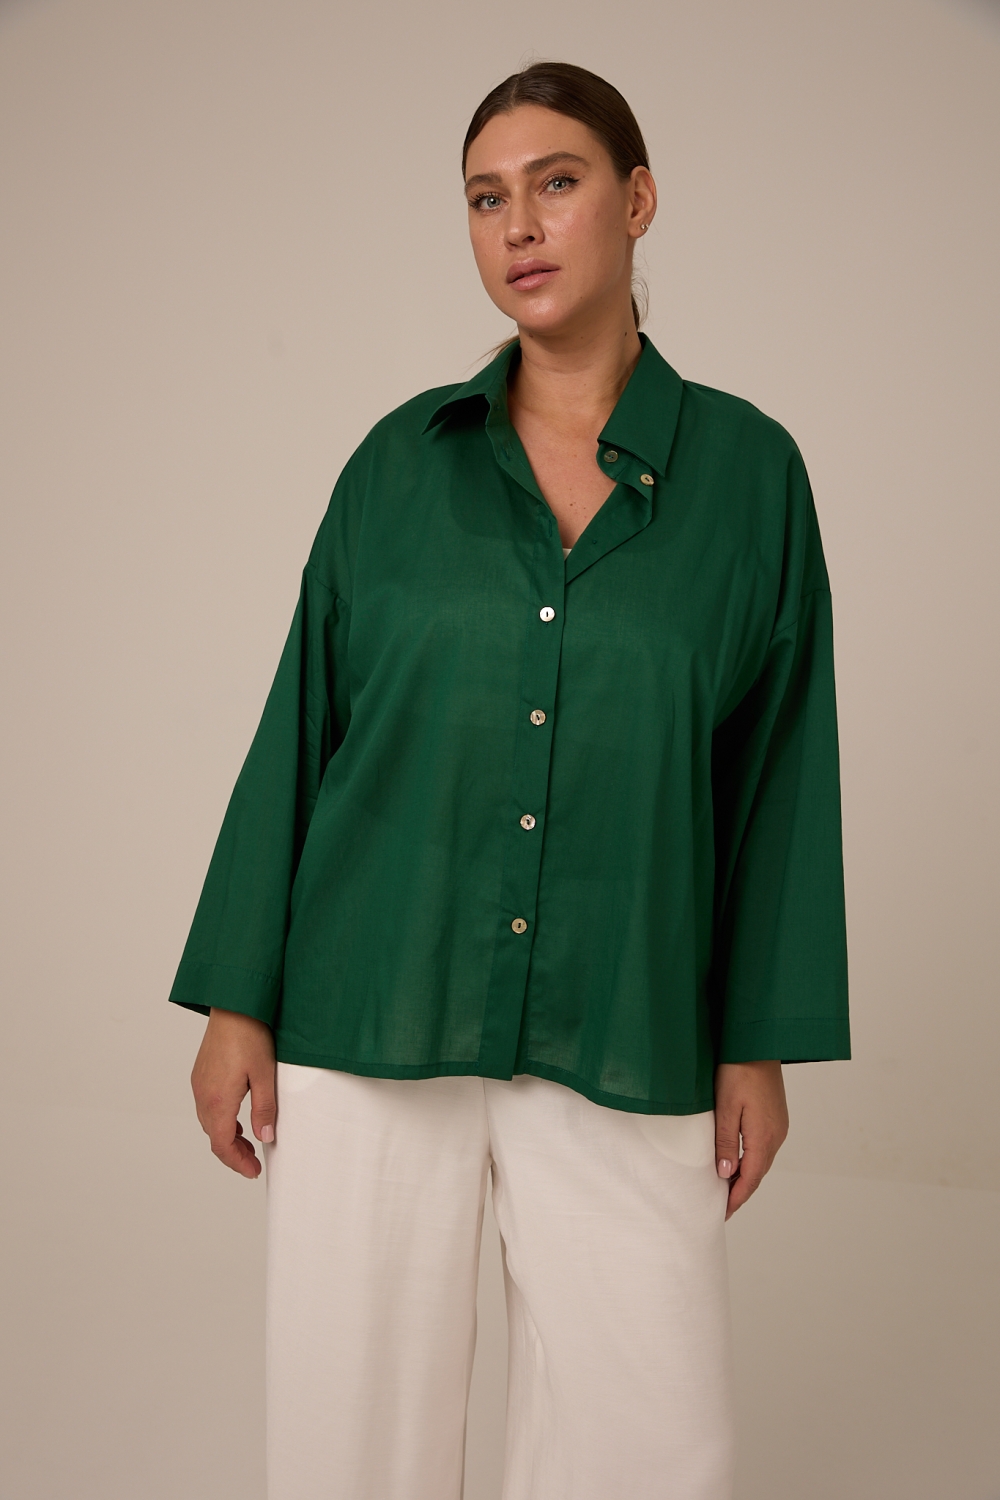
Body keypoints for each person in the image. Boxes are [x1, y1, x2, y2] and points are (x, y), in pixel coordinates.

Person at [171, 61, 849, 1500]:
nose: (519, 225)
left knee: (649, 1441)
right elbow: (304, 725)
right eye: (486, 199)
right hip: (373, 1002)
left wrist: (756, 1041)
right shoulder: (397, 467)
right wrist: (240, 999)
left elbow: (777, 769)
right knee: (351, 1440)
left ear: (638, 200)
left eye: (557, 183)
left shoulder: (751, 478)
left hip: (629, 1012)